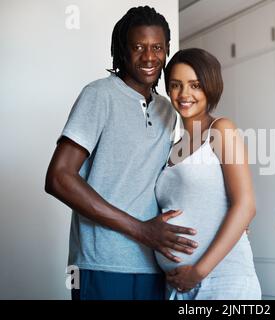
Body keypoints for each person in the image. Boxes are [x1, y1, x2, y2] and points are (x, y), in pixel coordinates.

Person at [44, 6, 198, 300]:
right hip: (101, 264)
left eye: (157, 47)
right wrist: (141, 231)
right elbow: (59, 177)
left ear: (167, 50)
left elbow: (169, 184)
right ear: (121, 50)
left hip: (154, 264)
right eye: (138, 47)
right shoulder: (99, 95)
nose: (149, 57)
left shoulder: (168, 110)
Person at [154, 48, 262, 300]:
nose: (184, 94)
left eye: (195, 85)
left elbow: (245, 206)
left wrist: (198, 272)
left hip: (222, 280)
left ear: (210, 87)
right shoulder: (172, 146)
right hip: (177, 286)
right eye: (176, 85)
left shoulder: (221, 129)